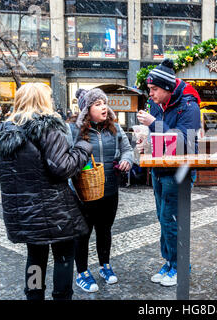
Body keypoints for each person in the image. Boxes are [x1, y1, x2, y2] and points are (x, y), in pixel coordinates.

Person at [0, 83, 93, 300]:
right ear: (44, 100)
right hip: (55, 212)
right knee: (64, 257)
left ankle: (34, 296)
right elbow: (62, 168)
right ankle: (62, 297)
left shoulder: (3, 132)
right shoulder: (49, 128)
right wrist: (82, 148)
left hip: (24, 214)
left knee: (35, 258)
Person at [136, 58, 201, 287]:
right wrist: (144, 141)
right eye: (149, 89)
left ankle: (181, 266)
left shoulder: (189, 105)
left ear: (166, 88)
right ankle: (170, 262)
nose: (150, 94)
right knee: (163, 219)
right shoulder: (157, 104)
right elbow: (158, 137)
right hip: (159, 168)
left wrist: (154, 123)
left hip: (179, 172)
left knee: (173, 220)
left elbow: (186, 142)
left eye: (154, 89)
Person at [70, 87, 133, 293]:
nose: (104, 106)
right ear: (87, 109)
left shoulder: (114, 128)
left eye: (104, 102)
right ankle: (82, 272)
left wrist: (126, 160)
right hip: (84, 192)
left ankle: (105, 265)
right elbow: (66, 156)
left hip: (109, 189)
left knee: (104, 230)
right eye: (97, 104)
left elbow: (127, 149)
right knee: (83, 232)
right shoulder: (75, 130)